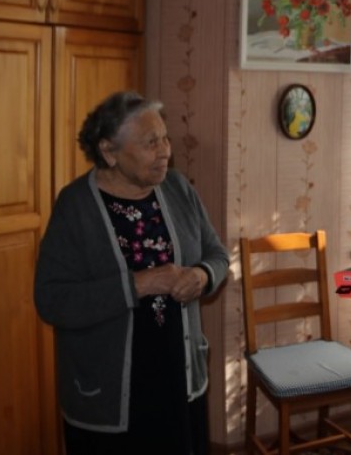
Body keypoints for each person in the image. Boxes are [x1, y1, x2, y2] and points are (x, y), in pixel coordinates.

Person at [34, 91, 229, 455]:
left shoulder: (177, 188)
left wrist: (203, 276)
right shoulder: (75, 206)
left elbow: (217, 255)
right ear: (109, 151)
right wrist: (136, 284)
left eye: (165, 138)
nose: (165, 151)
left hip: (179, 380)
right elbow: (52, 299)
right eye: (150, 143)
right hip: (109, 396)